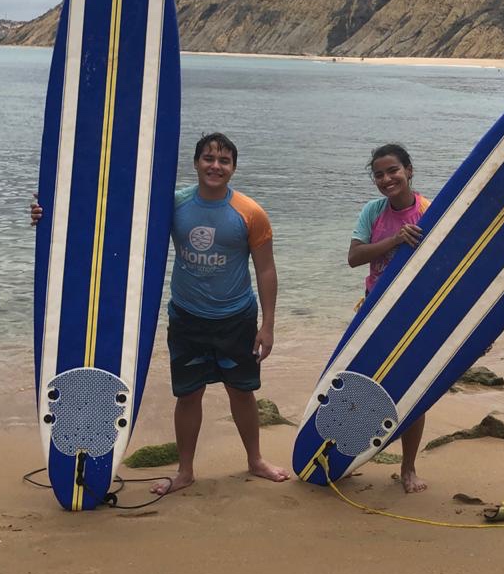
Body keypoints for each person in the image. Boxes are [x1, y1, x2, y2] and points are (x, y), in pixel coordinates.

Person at [31, 132, 289, 494]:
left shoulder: (250, 213)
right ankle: (185, 470)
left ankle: (255, 460)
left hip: (236, 318)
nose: (216, 166)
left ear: (233, 168)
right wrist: (51, 216)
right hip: (187, 317)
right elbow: (113, 220)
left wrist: (269, 325)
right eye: (209, 158)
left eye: (224, 161)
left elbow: (266, 270)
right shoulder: (174, 205)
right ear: (196, 163)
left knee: (242, 392)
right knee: (188, 395)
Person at [347, 143, 431, 493]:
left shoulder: (430, 211)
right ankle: (348, 457)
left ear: (409, 170)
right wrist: (396, 239)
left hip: (414, 315)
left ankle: (408, 467)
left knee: (411, 393)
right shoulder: (373, 212)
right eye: (379, 174)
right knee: (359, 388)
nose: (387, 178)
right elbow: (354, 257)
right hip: (373, 313)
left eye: (393, 170)